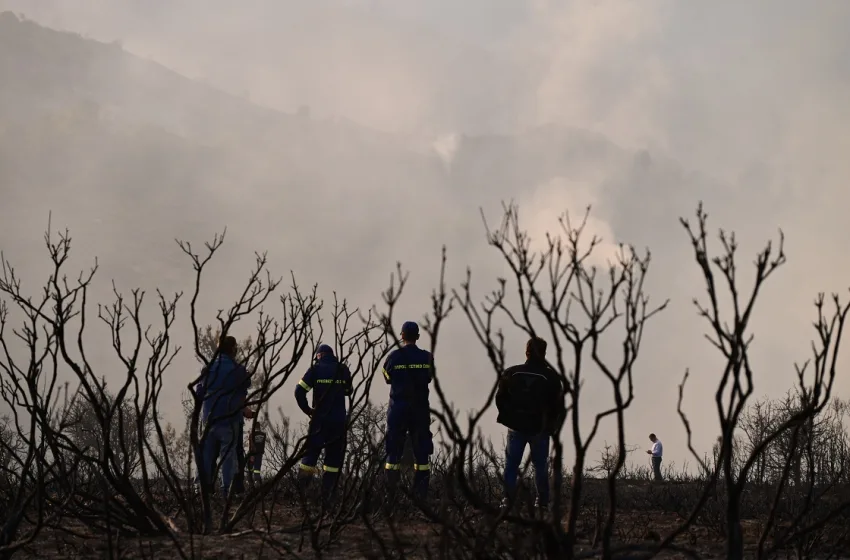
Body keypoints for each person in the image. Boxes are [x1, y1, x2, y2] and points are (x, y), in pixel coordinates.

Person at [495, 337, 566, 514]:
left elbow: (500, 398)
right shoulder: (552, 377)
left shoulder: (511, 373)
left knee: (511, 466)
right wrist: (552, 426)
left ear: (526, 351)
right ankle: (541, 503)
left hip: (516, 428)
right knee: (540, 466)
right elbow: (559, 406)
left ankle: (508, 501)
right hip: (540, 430)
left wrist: (509, 417)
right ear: (544, 353)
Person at [382, 321, 435, 507]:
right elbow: (429, 377)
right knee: (421, 456)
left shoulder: (393, 357)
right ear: (418, 337)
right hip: (420, 410)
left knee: (393, 454)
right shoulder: (427, 357)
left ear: (402, 336)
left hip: (398, 409)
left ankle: (391, 497)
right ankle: (420, 497)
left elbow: (387, 377)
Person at [293, 344, 352, 506]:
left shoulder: (315, 369)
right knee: (333, 461)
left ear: (319, 355)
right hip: (338, 422)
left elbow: (299, 391)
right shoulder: (343, 369)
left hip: (319, 422)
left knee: (309, 458)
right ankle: (328, 497)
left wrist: (308, 410)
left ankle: (301, 494)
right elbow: (348, 390)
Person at [197, 335, 250, 497]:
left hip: (209, 419)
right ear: (233, 349)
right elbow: (244, 389)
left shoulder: (208, 368)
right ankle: (228, 491)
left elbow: (199, 392)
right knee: (228, 456)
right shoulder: (238, 370)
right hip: (229, 419)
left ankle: (202, 490)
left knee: (206, 456)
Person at [247, 420, 267, 487]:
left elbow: (251, 445)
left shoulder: (252, 434)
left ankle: (250, 482)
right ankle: (257, 481)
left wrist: (251, 455)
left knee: (250, 468)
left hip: (253, 453)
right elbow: (263, 444)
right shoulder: (263, 435)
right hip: (260, 453)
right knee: (257, 468)